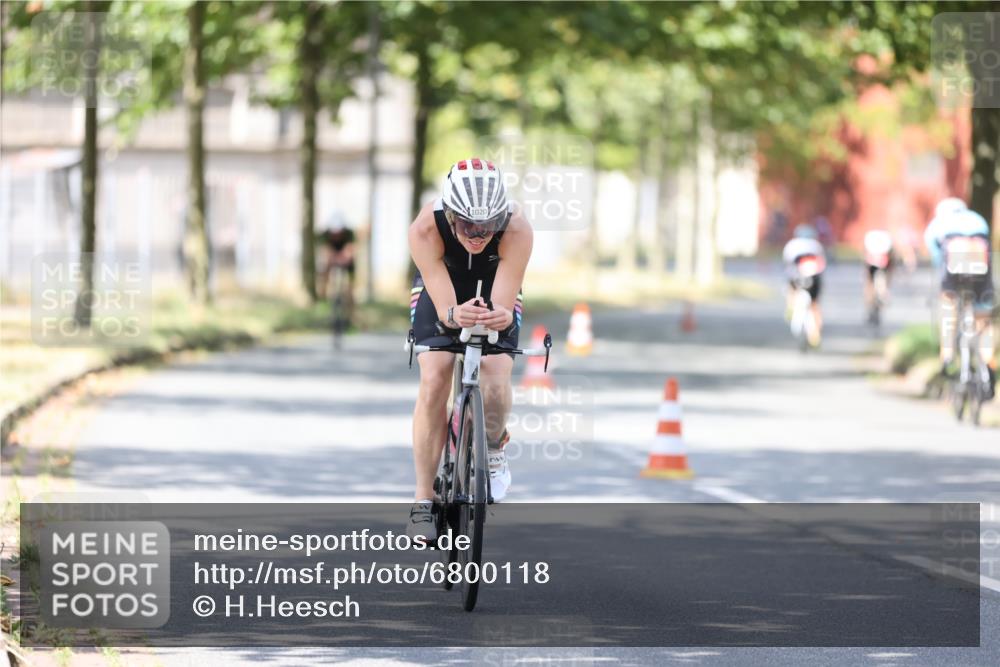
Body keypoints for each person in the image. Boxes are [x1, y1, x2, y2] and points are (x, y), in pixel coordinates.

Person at [406, 158, 532, 540]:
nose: (478, 235)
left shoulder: (517, 229)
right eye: (467, 225)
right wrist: (451, 314)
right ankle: (423, 498)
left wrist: (502, 318)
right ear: (451, 213)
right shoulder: (426, 228)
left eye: (487, 226)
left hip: (495, 284)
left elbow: (504, 304)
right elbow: (445, 309)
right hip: (442, 286)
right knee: (435, 378)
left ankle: (492, 448)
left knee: (495, 377)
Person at [924, 197, 995, 398]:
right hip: (981, 270)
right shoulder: (978, 219)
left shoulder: (939, 224)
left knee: (948, 304)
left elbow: (936, 254)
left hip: (953, 270)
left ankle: (947, 355)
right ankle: (988, 358)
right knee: (983, 317)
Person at [783, 224, 827, 347]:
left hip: (797, 277)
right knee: (815, 304)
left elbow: (788, 265)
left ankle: (790, 307)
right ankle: (816, 335)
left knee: (791, 288)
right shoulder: (816, 246)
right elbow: (822, 265)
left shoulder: (792, 245)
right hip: (814, 278)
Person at [317, 213, 357, 321]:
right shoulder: (324, 235)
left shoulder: (349, 234)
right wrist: (332, 258)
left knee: (350, 287)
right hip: (332, 257)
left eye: (339, 233)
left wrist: (345, 257)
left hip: (346, 260)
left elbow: (350, 250)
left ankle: (351, 314)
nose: (337, 235)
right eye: (334, 233)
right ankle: (323, 296)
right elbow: (325, 251)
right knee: (324, 269)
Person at [862, 229, 894, 322]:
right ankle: (871, 305)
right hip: (874, 266)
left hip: (882, 266)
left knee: (877, 285)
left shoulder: (885, 247)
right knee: (870, 287)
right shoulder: (871, 244)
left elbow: (890, 267)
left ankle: (879, 299)